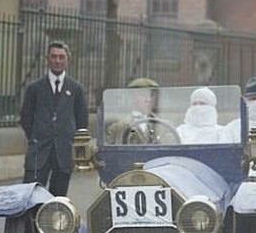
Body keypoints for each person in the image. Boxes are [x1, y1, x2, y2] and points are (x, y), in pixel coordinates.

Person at [19, 41, 88, 196]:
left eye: (61, 57)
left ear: (68, 60)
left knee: (58, 201)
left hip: (63, 154)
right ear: (47, 59)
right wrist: (36, 137)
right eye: (53, 57)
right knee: (31, 198)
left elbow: (81, 120)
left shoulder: (76, 89)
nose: (57, 61)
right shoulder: (35, 88)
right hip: (39, 153)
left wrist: (69, 139)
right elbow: (25, 118)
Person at [105, 77, 165, 145]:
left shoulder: (162, 126)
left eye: (152, 95)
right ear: (132, 97)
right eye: (144, 95)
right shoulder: (118, 128)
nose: (148, 100)